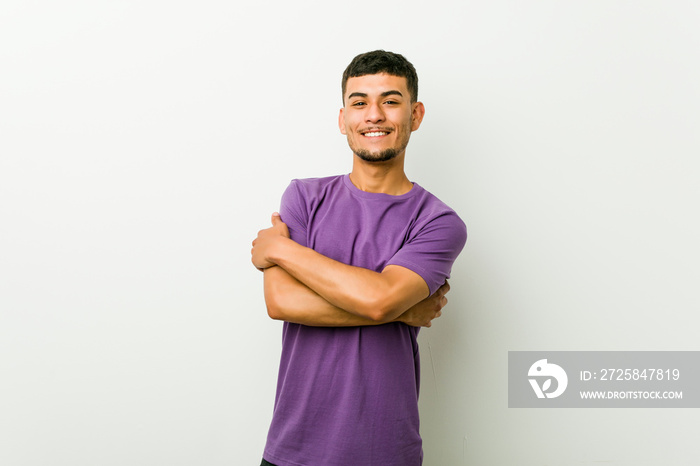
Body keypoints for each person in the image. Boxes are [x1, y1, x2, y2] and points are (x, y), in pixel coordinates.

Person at [251, 50, 467, 466]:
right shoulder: (304, 198)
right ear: (342, 119)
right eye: (359, 102)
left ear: (415, 114)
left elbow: (379, 300)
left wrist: (282, 249)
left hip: (384, 451)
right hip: (292, 449)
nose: (374, 115)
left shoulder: (438, 222)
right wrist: (401, 311)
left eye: (390, 101)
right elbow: (281, 302)